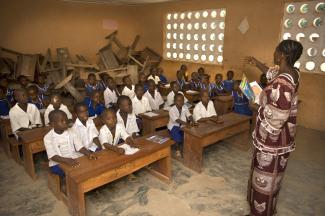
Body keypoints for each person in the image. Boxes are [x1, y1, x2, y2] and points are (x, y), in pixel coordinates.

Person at [245, 39, 303, 216]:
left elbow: (277, 118)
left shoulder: (282, 84)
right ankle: (268, 209)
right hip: (285, 139)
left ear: (283, 55)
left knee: (265, 177)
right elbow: (272, 73)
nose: (274, 54)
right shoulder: (292, 73)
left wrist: (257, 107)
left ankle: (260, 213)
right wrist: (257, 64)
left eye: (276, 51)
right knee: (274, 177)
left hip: (272, 141)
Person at [44, 110, 96, 179]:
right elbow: (52, 156)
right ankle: (66, 182)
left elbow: (79, 146)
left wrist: (88, 153)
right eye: (62, 121)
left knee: (87, 164)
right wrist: (67, 160)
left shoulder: (71, 131)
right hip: (58, 162)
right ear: (53, 124)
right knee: (63, 170)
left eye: (66, 119)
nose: (65, 122)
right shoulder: (48, 137)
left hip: (73, 157)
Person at [167, 93, 195, 157]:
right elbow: (177, 120)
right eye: (178, 100)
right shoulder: (172, 110)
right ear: (174, 101)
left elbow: (189, 115)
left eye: (182, 100)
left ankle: (187, 148)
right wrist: (186, 123)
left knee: (188, 135)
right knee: (178, 137)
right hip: (173, 127)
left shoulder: (185, 107)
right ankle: (177, 150)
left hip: (182, 126)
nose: (181, 102)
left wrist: (193, 121)